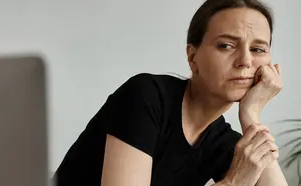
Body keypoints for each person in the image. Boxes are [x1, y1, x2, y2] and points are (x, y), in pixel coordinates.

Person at [52, 0, 288, 185]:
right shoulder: (145, 97)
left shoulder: (221, 140)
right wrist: (234, 182)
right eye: (226, 45)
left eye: (258, 49)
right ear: (192, 57)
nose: (245, 60)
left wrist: (251, 115)